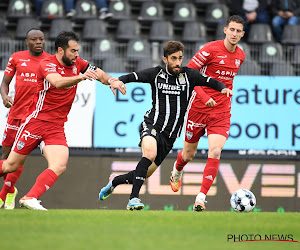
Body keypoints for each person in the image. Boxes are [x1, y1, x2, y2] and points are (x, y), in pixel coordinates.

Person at [98, 41, 233, 211]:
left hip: (170, 136)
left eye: (180, 58)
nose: (178, 62)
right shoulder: (156, 74)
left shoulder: (189, 75)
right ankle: (133, 199)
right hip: (153, 124)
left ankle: (115, 181)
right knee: (149, 153)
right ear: (165, 59)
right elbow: (133, 76)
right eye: (173, 58)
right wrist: (116, 81)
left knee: (142, 174)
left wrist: (223, 89)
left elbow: (210, 81)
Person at [0, 31, 126, 211]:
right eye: (73, 51)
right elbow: (57, 82)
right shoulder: (47, 64)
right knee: (10, 165)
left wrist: (112, 80)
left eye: (77, 51)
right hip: (35, 122)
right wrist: (82, 77)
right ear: (60, 50)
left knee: (60, 164)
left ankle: (30, 197)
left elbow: (99, 73)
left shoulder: (78, 63)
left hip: (55, 127)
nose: (77, 55)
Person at [169, 15, 245, 212]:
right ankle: (177, 171)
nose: (235, 34)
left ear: (242, 34)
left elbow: (228, 82)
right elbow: (188, 74)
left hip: (221, 109)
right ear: (225, 30)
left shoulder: (240, 56)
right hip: (199, 108)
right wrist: (204, 97)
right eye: (232, 30)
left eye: (239, 31)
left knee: (215, 151)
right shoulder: (210, 49)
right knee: (188, 154)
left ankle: (200, 199)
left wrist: (223, 94)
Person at [0, 29, 50, 209]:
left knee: (19, 157)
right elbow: (4, 83)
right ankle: (11, 190)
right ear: (26, 42)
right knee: (5, 157)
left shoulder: (50, 61)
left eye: (41, 39)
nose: (39, 42)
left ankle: (3, 195)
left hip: (33, 117)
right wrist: (5, 96)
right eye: (34, 39)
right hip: (15, 114)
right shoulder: (16, 58)